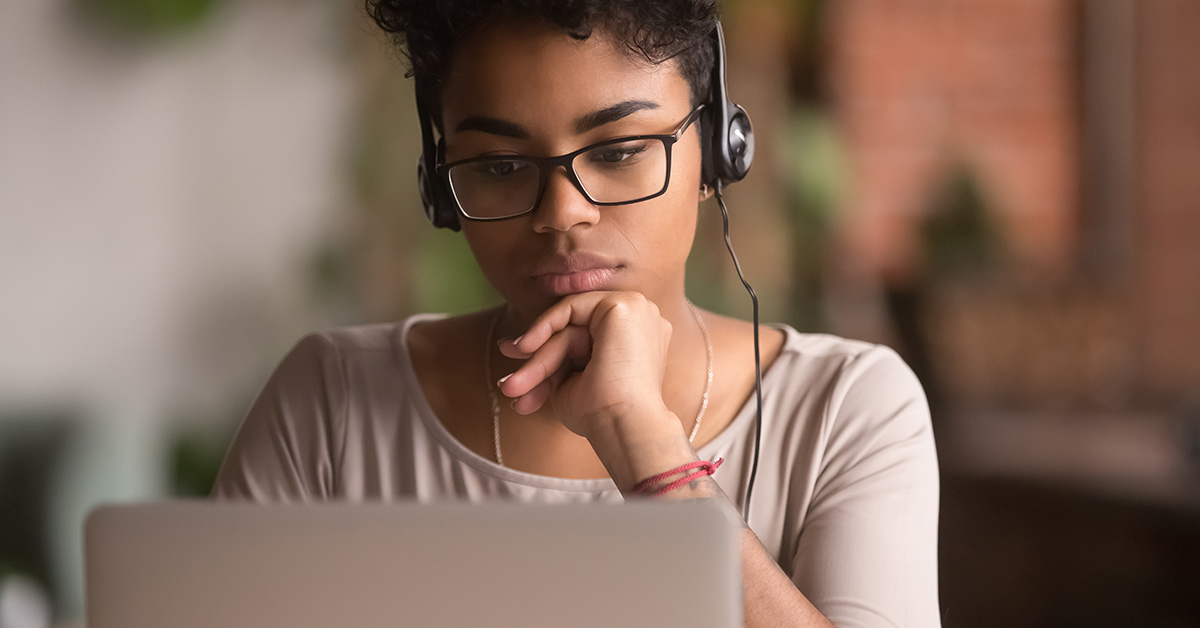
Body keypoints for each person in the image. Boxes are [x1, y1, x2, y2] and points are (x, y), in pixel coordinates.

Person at [212, 1, 941, 626]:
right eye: (499, 166)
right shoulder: (331, 405)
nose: (564, 215)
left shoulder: (848, 410)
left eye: (620, 151)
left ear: (719, 153)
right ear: (441, 188)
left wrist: (642, 439)